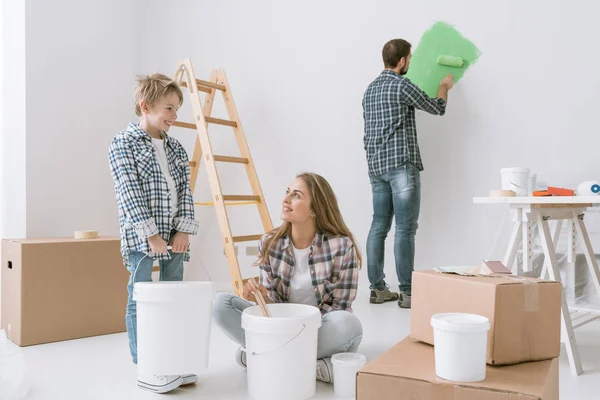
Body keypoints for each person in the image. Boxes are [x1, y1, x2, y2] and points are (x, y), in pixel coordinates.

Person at [213, 172, 363, 384]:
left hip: (316, 329)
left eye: (296, 195)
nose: (285, 199)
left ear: (314, 209)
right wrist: (261, 297)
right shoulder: (269, 243)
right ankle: (311, 364)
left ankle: (265, 356)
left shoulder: (341, 246)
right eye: (287, 192)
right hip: (279, 328)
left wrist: (300, 331)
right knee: (221, 304)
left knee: (349, 324)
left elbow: (341, 306)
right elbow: (272, 307)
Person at [108, 73, 200, 393]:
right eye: (169, 109)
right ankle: (145, 363)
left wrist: (183, 230)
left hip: (174, 235)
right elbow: (129, 193)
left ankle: (170, 358)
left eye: (177, 109)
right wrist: (151, 235)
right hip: (141, 238)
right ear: (146, 106)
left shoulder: (175, 148)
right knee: (141, 296)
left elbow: (185, 192)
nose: (175, 116)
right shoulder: (123, 143)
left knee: (173, 296)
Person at [362, 39, 454, 308]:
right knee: (405, 230)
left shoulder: (369, 90)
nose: (410, 63)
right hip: (401, 166)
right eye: (409, 59)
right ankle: (408, 293)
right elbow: (437, 107)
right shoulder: (401, 86)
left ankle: (377, 289)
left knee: (379, 226)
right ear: (401, 60)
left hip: (376, 168)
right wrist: (444, 86)